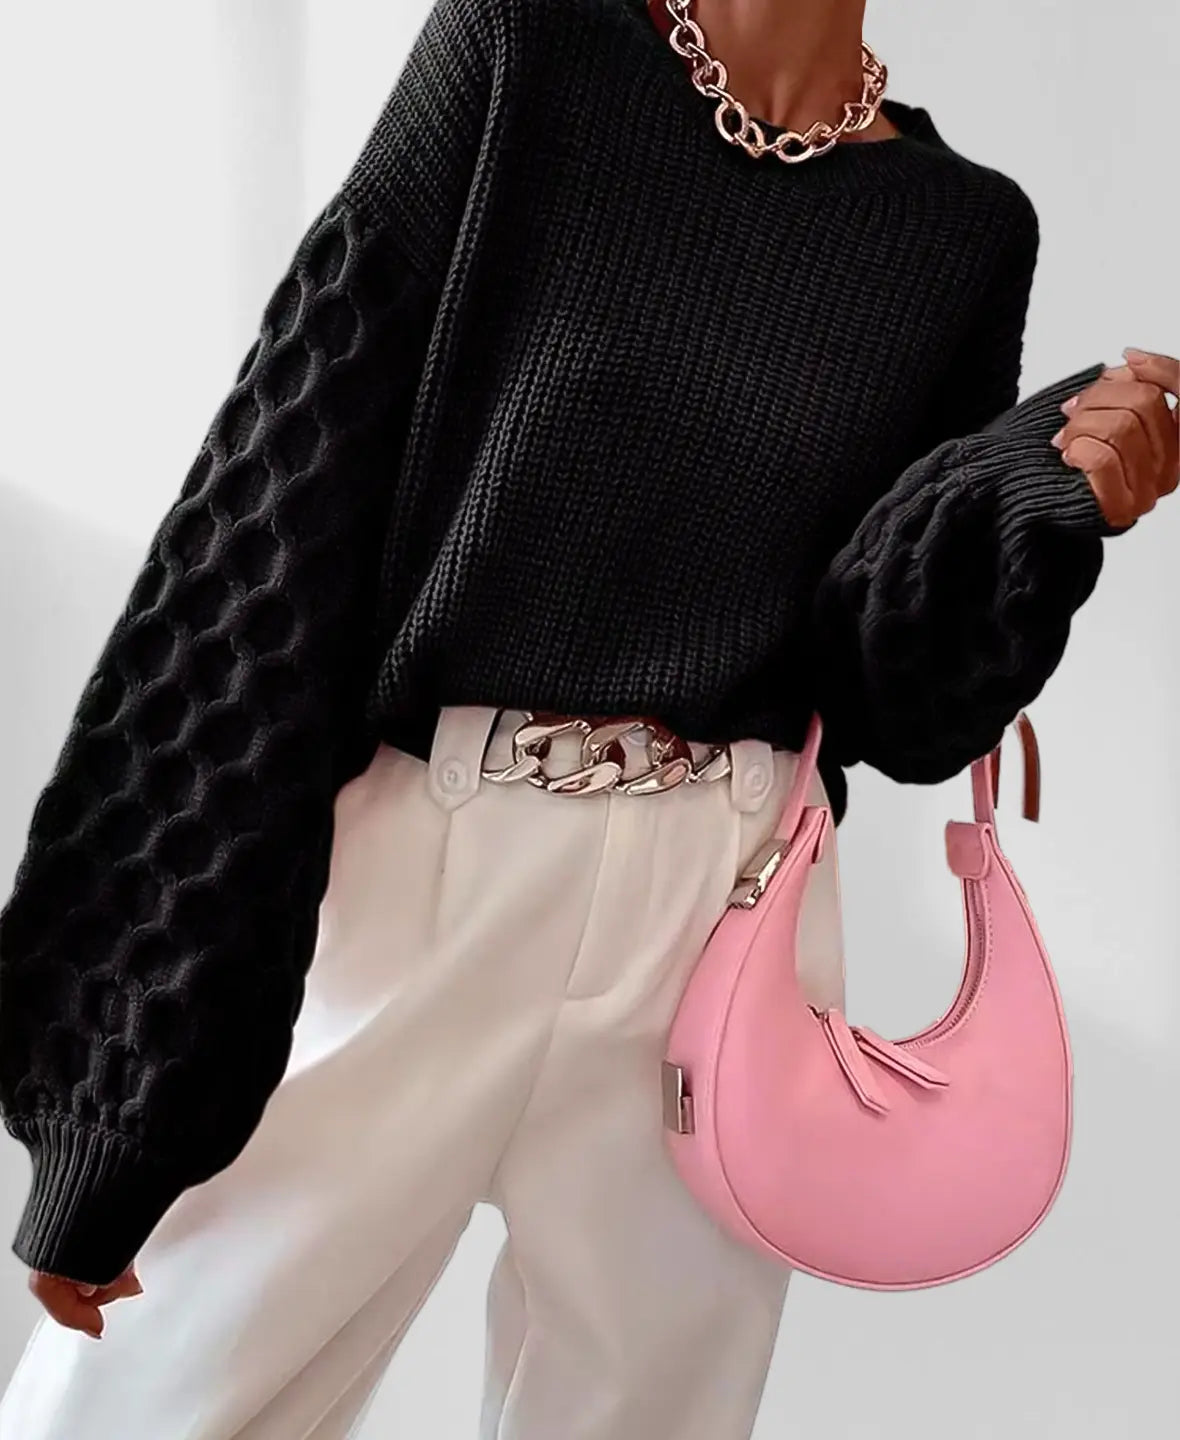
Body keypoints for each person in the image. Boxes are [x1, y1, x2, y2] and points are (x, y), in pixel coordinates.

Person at [0, 0, 1175, 1436]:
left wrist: (1025, 505)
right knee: (144, 1404)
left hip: (729, 907)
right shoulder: (522, 53)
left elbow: (892, 707)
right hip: (436, 865)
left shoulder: (962, 227)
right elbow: (267, 543)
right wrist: (118, 1089)